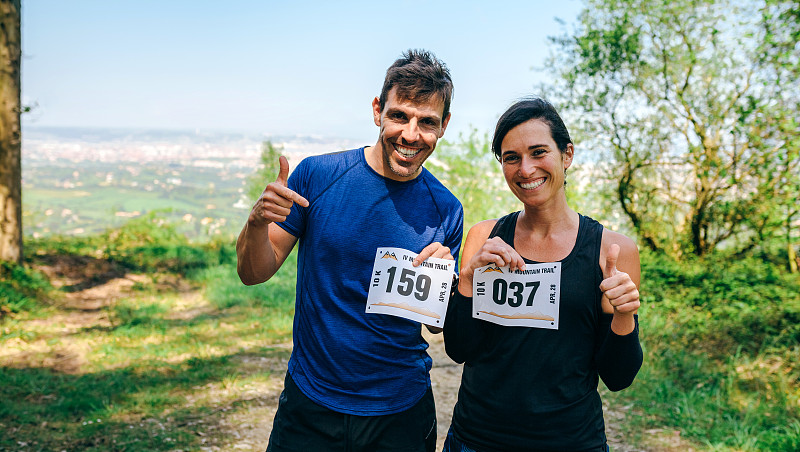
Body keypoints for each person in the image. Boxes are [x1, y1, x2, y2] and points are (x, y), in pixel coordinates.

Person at [236, 49, 464, 452]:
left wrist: (446, 284)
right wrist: (256, 224)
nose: (411, 135)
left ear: (443, 126)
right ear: (378, 111)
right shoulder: (317, 176)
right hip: (311, 403)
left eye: (427, 122)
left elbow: (440, 328)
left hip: (400, 411)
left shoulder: (446, 209)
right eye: (399, 116)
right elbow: (254, 272)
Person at [442, 98, 643, 451]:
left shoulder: (612, 251)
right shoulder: (483, 237)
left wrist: (624, 315)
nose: (526, 169)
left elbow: (618, 376)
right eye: (511, 158)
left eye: (538, 152)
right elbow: (459, 349)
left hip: (570, 441)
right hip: (477, 439)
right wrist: (469, 282)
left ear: (567, 155)